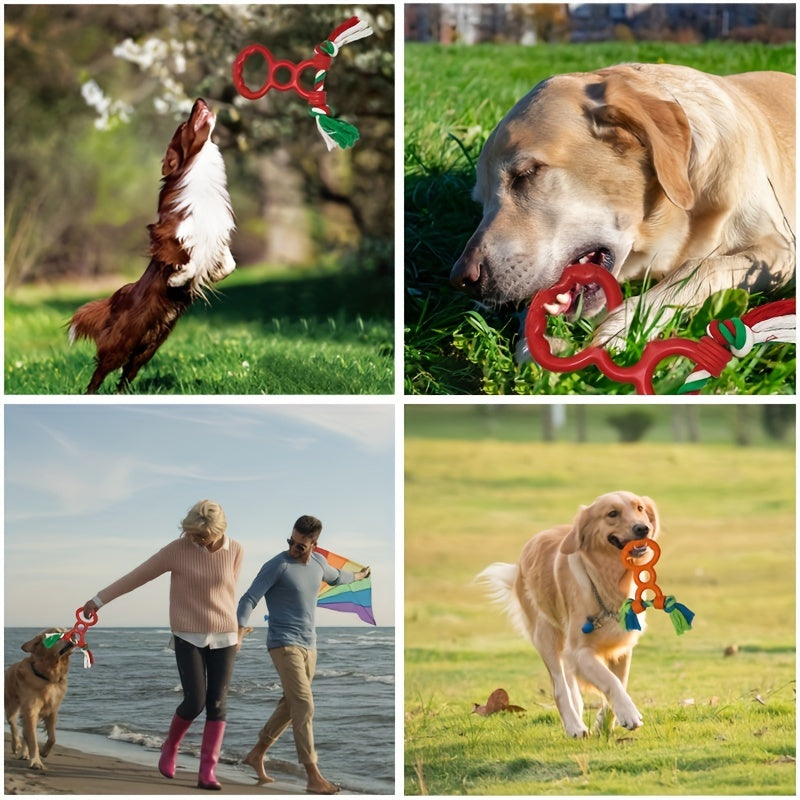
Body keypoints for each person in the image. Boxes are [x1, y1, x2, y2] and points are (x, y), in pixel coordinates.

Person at [82, 499, 243, 791]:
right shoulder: (176, 550)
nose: (198, 540)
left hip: (225, 636)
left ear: (220, 530)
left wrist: (239, 629)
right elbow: (137, 576)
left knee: (218, 703)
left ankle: (207, 771)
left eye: (204, 536)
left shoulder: (236, 550)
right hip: (187, 635)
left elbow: (229, 593)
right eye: (194, 534)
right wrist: (98, 600)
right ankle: (170, 746)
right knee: (195, 701)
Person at [237, 515, 370, 794]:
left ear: (314, 543)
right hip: (283, 643)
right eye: (291, 541)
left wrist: (359, 576)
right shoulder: (277, 565)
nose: (294, 548)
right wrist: (239, 630)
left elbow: (338, 578)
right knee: (305, 706)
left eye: (301, 545)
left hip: (310, 645)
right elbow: (249, 598)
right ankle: (313, 775)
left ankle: (256, 754)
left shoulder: (320, 562)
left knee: (291, 705)